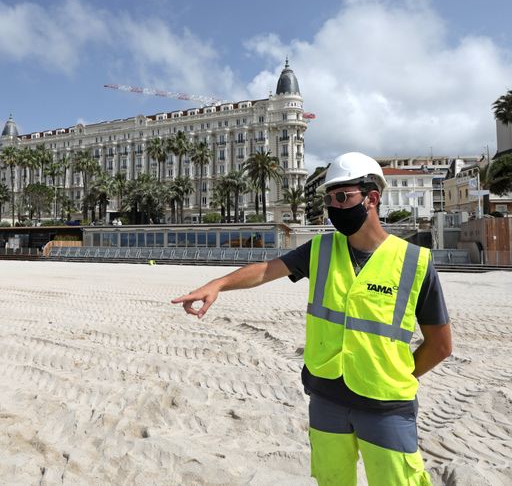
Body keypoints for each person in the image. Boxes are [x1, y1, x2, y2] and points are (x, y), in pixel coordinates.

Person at [171, 152, 451, 485]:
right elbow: (265, 271)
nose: (333, 206)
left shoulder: (414, 262)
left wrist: (392, 375)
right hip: (326, 401)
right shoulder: (320, 250)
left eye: (342, 197)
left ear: (372, 198)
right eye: (329, 198)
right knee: (331, 480)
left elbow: (440, 345)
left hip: (386, 407)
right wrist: (218, 284)